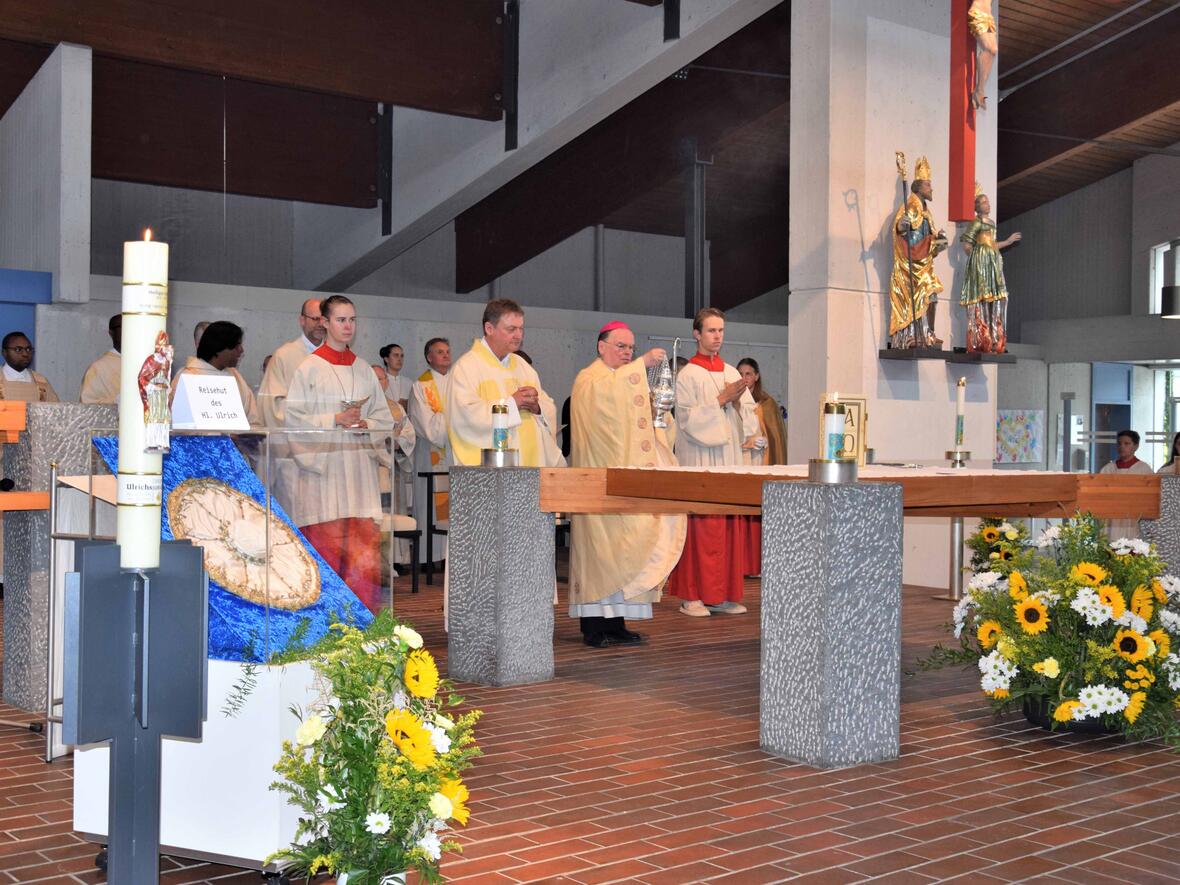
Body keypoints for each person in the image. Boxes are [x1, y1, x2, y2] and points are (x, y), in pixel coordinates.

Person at [569, 321, 685, 648]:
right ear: (601, 346)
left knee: (625, 553)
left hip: (627, 478)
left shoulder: (627, 381)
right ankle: (593, 628)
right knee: (600, 557)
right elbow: (605, 400)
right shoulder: (589, 380)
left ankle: (617, 623)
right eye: (621, 346)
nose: (627, 353)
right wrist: (641, 366)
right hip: (598, 481)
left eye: (631, 348)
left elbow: (646, 425)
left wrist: (655, 412)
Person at [284, 295, 395, 614]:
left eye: (352, 320)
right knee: (328, 547)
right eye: (341, 320)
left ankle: (362, 619)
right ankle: (322, 620)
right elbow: (293, 420)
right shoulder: (308, 368)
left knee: (362, 551)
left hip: (358, 469)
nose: (348, 326)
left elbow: (383, 418)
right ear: (325, 323)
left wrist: (366, 423)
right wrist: (333, 420)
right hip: (326, 472)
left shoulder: (364, 369)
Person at [668, 308, 757, 616]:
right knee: (701, 524)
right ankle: (691, 595)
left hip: (728, 457)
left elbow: (750, 420)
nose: (717, 336)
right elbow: (686, 420)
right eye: (711, 331)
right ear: (697, 334)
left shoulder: (732, 372)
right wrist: (720, 400)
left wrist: (736, 402)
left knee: (726, 524)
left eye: (721, 331)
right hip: (699, 458)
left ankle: (721, 594)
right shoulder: (687, 374)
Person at [445, 298, 564, 468]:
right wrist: (511, 404)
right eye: (511, 329)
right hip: (494, 473)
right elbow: (465, 417)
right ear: (489, 328)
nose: (518, 335)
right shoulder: (467, 367)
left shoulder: (523, 367)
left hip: (531, 465)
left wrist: (538, 408)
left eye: (521, 329)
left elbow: (548, 407)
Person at [257, 298, 326, 510]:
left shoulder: (337, 357)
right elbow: (272, 406)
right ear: (301, 320)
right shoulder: (285, 356)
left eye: (323, 319)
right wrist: (309, 420)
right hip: (294, 458)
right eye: (314, 319)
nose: (319, 324)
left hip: (328, 455)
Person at [889, 156, 948, 349]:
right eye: (928, 184)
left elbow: (929, 242)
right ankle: (912, 335)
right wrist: (900, 225)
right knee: (915, 299)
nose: (931, 189)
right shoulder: (909, 208)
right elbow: (900, 229)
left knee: (932, 296)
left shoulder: (927, 212)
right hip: (911, 263)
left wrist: (939, 241)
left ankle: (928, 333)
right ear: (918, 187)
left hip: (925, 263)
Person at [960, 188, 1021, 353]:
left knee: (997, 298)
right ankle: (982, 337)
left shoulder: (992, 223)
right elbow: (967, 244)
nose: (988, 204)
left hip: (992, 263)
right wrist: (977, 260)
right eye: (984, 202)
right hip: (981, 264)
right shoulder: (976, 222)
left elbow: (992, 245)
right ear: (977, 206)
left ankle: (995, 337)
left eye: (988, 201)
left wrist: (1008, 242)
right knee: (983, 298)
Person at [409, 337, 452, 565]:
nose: (445, 355)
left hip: (455, 457)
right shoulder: (421, 387)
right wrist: (452, 415)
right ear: (429, 357)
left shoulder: (459, 384)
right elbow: (428, 428)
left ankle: (450, 557)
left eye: (447, 351)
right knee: (430, 508)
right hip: (430, 456)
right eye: (439, 351)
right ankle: (431, 558)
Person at [171, 321, 262, 427]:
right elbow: (179, 422)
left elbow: (253, 420)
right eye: (237, 346)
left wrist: (247, 437)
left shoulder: (236, 376)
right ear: (219, 348)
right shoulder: (188, 377)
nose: (241, 350)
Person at [372, 363, 417, 567]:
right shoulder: (362, 408)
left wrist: (396, 443)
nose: (378, 382)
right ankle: (375, 563)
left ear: (386, 382)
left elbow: (408, 432)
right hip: (370, 471)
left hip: (392, 468)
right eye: (373, 378)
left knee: (393, 512)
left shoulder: (395, 407)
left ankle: (396, 561)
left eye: (381, 378)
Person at [1099, 429, 1155, 541]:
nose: (1122, 447)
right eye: (1119, 444)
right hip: (1111, 518)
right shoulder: (1108, 469)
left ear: (1136, 446)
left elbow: (1150, 496)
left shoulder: (1143, 469)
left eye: (1126, 444)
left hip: (1133, 518)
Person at [736, 358, 786, 466]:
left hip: (759, 458)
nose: (744, 378)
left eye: (748, 374)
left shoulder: (767, 403)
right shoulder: (732, 402)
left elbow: (775, 438)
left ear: (756, 376)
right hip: (738, 458)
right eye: (740, 374)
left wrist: (765, 440)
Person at [0, 332, 58, 402]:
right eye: (18, 349)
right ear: (4, 352)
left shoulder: (41, 382)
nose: (25, 354)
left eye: (28, 349)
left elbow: (55, 410)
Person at [80, 314, 121, 404]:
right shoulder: (98, 368)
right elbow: (87, 405)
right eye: (122, 327)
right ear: (111, 333)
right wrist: (115, 401)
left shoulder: (147, 364)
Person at [969, 0, 997, 110]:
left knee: (993, 50)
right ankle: (979, 90)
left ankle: (979, 89)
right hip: (978, 13)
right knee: (988, 48)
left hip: (988, 17)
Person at [379, 343, 411, 413]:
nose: (400, 359)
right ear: (386, 359)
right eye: (396, 355)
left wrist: (408, 404)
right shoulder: (379, 381)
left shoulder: (409, 382)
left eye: (402, 356)